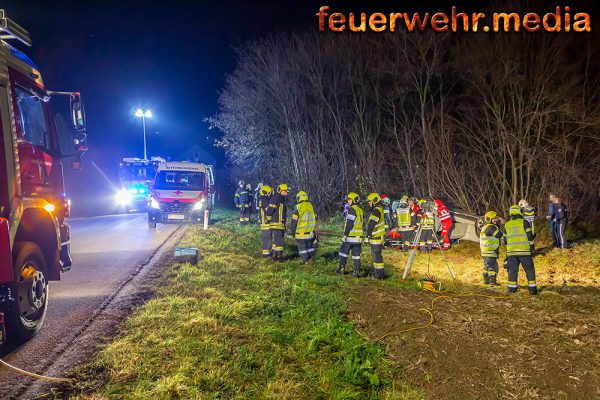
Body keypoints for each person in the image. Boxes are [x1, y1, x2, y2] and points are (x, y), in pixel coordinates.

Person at [505, 204, 537, 295]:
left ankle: (512, 289)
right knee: (529, 270)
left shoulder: (507, 225)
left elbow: (505, 241)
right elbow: (530, 236)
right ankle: (532, 289)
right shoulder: (524, 222)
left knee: (512, 271)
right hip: (525, 252)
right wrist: (531, 247)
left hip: (511, 253)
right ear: (520, 212)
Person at [337, 192, 363, 277]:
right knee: (356, 255)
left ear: (353, 200)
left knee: (343, 252)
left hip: (350, 237)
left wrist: (345, 235)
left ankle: (341, 268)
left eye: (349, 199)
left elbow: (350, 223)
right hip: (358, 238)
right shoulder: (360, 210)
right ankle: (356, 271)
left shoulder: (352, 209)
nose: (348, 201)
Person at [290, 191, 317, 263]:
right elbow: (315, 218)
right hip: (310, 234)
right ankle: (311, 259)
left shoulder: (297, 207)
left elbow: (293, 222)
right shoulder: (311, 206)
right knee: (310, 247)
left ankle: (305, 261)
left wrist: (293, 233)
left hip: (300, 234)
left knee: (303, 250)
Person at [479, 211, 503, 285]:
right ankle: (492, 282)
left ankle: (486, 281)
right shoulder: (491, 227)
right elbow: (498, 235)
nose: (496, 220)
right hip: (490, 252)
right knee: (493, 267)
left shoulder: (485, 227)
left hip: (485, 252)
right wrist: (501, 228)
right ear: (489, 219)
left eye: (496, 218)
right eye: (494, 219)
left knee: (487, 266)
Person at [266, 183, 289, 261]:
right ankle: (279, 258)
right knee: (280, 241)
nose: (287, 192)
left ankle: (275, 256)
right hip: (277, 224)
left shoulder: (281, 199)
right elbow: (269, 210)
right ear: (280, 191)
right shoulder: (276, 198)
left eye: (287, 191)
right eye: (285, 191)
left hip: (279, 224)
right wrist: (268, 220)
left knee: (276, 241)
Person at [366, 193, 386, 279]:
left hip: (376, 237)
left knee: (377, 256)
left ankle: (379, 275)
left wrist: (368, 234)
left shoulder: (376, 211)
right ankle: (377, 272)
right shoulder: (379, 209)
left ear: (374, 201)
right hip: (378, 236)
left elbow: (372, 223)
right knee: (376, 256)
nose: (369, 203)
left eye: (370, 202)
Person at [258, 185, 273, 258]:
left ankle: (266, 253)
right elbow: (268, 211)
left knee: (266, 238)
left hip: (264, 222)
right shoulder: (265, 200)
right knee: (267, 238)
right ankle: (266, 254)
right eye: (269, 192)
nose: (271, 194)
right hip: (266, 222)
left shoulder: (262, 199)